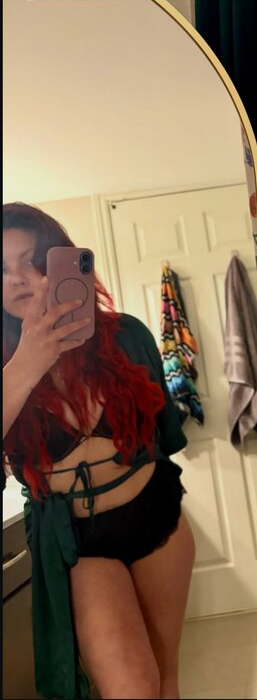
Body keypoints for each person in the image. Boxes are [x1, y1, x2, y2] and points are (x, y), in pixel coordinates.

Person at [2, 202, 196, 700]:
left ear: (60, 260)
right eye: (1, 269)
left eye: (32, 260)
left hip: (155, 514)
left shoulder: (126, 335)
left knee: (167, 679)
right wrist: (27, 363)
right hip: (78, 540)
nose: (19, 278)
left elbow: (166, 437)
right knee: (132, 689)